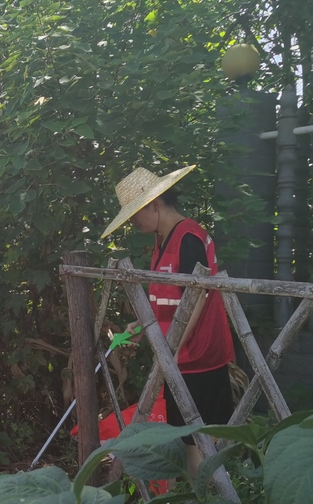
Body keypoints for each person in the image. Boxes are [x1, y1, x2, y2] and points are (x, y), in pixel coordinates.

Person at [100, 165, 235, 481]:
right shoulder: (163, 239)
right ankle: (194, 498)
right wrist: (141, 324)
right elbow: (169, 299)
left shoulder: (189, 238)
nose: (134, 223)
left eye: (136, 215)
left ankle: (207, 498)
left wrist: (171, 345)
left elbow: (197, 296)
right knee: (185, 435)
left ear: (154, 205)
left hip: (198, 354)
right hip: (175, 353)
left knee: (201, 437)